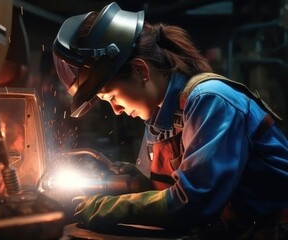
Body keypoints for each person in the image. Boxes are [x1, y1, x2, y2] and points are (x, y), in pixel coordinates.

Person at [52, 2, 288, 239]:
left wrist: (105, 207)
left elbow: (193, 203)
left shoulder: (211, 100)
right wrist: (136, 182)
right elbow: (167, 194)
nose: (115, 110)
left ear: (141, 71)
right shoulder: (159, 118)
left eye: (111, 96)